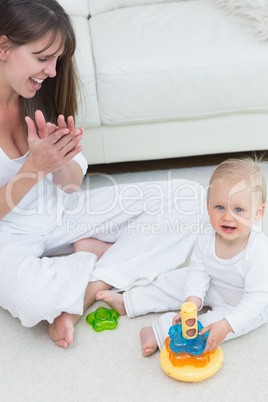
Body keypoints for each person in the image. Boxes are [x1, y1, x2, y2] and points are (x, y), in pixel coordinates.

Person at [0, 0, 206, 348]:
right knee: (35, 300)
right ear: (4, 47)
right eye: (42, 58)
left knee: (191, 199)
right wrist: (34, 168)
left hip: (60, 212)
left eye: (57, 59)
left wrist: (60, 160)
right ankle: (93, 256)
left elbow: (67, 186)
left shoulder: (39, 92)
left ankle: (85, 293)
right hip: (9, 234)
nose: (52, 71)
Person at [97, 157, 268, 356]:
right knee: (172, 281)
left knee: (205, 331)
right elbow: (198, 270)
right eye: (219, 207)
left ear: (258, 213)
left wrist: (226, 325)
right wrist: (192, 301)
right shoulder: (207, 237)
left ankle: (157, 332)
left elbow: (257, 298)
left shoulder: (258, 250)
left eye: (238, 210)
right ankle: (128, 301)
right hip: (214, 284)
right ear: (208, 207)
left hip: (244, 304)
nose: (227, 217)